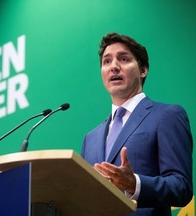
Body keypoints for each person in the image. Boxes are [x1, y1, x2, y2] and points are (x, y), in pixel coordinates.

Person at [81, 32, 193, 215]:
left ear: (143, 70)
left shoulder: (167, 115)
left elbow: (181, 187)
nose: (114, 67)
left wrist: (135, 184)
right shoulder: (90, 139)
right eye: (106, 62)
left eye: (124, 59)